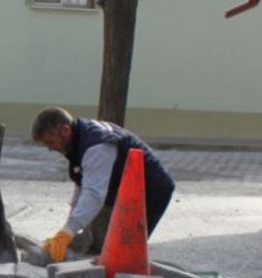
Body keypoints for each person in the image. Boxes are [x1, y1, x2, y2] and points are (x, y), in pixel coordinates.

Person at [32, 107, 175, 263]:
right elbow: (82, 187)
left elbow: (93, 194)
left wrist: (67, 232)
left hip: (150, 190)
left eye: (50, 142)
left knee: (126, 253)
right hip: (127, 191)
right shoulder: (80, 138)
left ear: (65, 130)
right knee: (111, 251)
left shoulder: (97, 146)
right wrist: (67, 231)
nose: (50, 149)